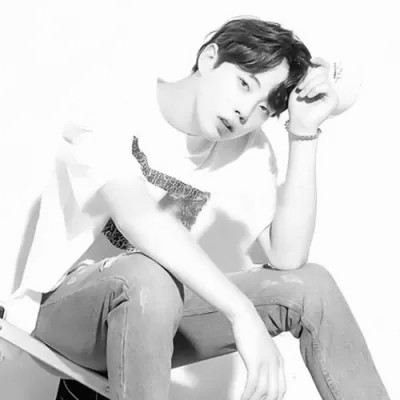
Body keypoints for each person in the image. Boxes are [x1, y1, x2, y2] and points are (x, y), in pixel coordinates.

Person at [0, 17, 390, 400]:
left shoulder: (248, 149)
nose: (244, 112)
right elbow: (138, 218)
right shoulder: (117, 94)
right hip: (64, 312)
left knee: (312, 286)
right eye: (243, 84)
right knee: (148, 273)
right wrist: (241, 312)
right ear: (209, 58)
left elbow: (287, 257)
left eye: (263, 109)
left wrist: (303, 131)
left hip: (157, 312)